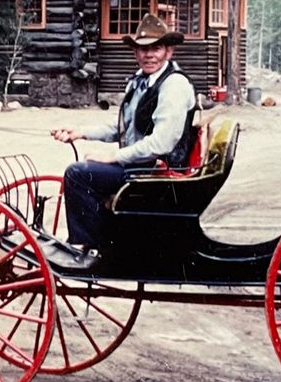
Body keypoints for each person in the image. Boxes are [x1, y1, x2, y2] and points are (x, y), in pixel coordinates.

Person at [50, 14, 196, 259]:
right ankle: (104, 235)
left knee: (77, 174)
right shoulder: (140, 82)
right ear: (135, 53)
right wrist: (81, 132)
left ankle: (94, 246)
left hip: (158, 170)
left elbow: (161, 143)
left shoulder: (174, 86)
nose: (148, 55)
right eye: (142, 49)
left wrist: (113, 157)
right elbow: (122, 127)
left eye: (156, 48)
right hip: (142, 164)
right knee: (88, 169)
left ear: (169, 52)